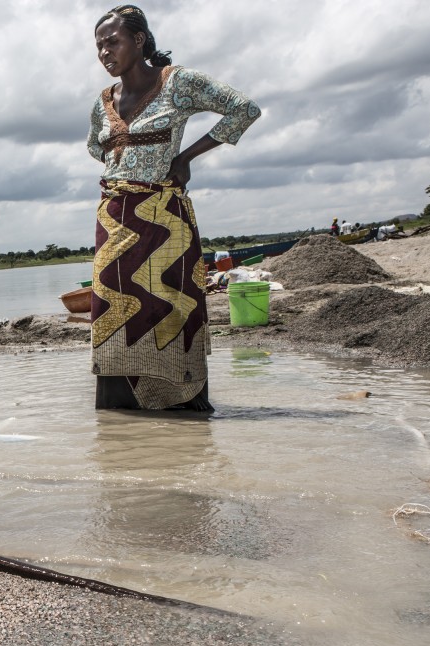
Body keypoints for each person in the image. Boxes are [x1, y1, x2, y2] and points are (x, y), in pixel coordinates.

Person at [87, 5, 260, 411]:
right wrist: (127, 168)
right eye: (98, 46)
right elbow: (97, 147)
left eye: (112, 41)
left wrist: (185, 158)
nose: (104, 52)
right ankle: (121, 415)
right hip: (114, 222)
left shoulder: (177, 82)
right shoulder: (103, 100)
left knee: (170, 306)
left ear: (139, 41)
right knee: (113, 314)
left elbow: (244, 109)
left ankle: (181, 408)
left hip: (165, 218)